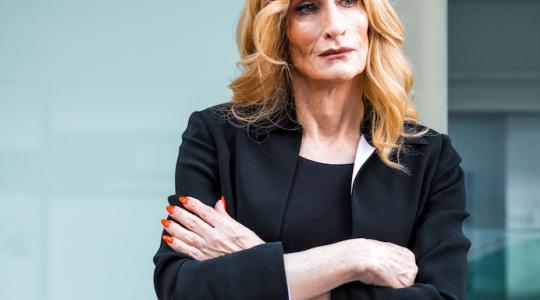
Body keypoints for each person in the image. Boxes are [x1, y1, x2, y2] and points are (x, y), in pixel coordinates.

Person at [152, 0, 471, 299]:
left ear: (371, 17)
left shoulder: (429, 156)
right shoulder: (217, 136)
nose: (334, 26)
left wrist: (259, 265)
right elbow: (181, 287)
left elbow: (442, 295)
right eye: (306, 7)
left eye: (348, 1)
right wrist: (353, 258)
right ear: (278, 32)